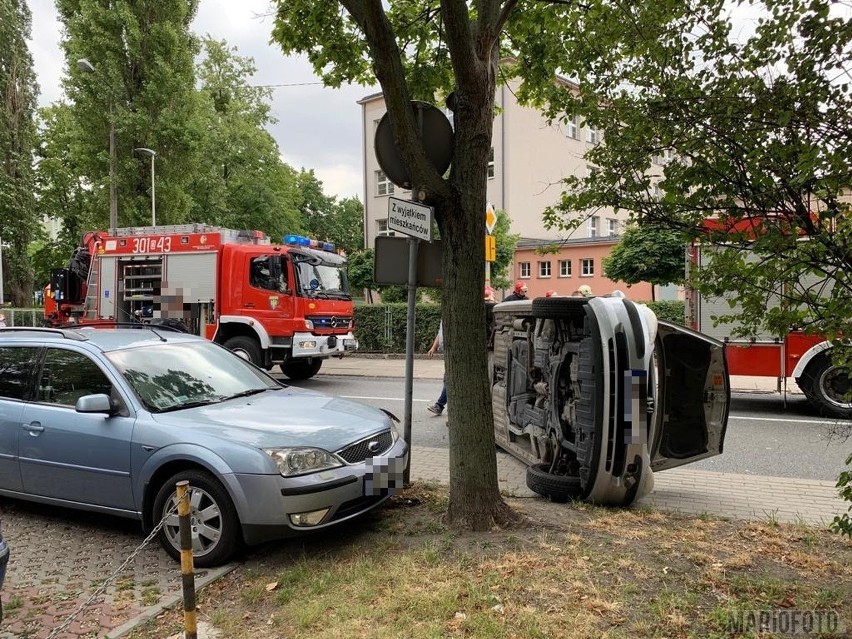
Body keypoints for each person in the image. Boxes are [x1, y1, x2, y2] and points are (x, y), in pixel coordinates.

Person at [427, 321, 446, 415]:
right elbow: (440, 333)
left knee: (448, 380)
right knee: (448, 380)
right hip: (447, 352)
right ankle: (439, 406)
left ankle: (439, 406)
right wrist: (433, 348)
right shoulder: (445, 315)